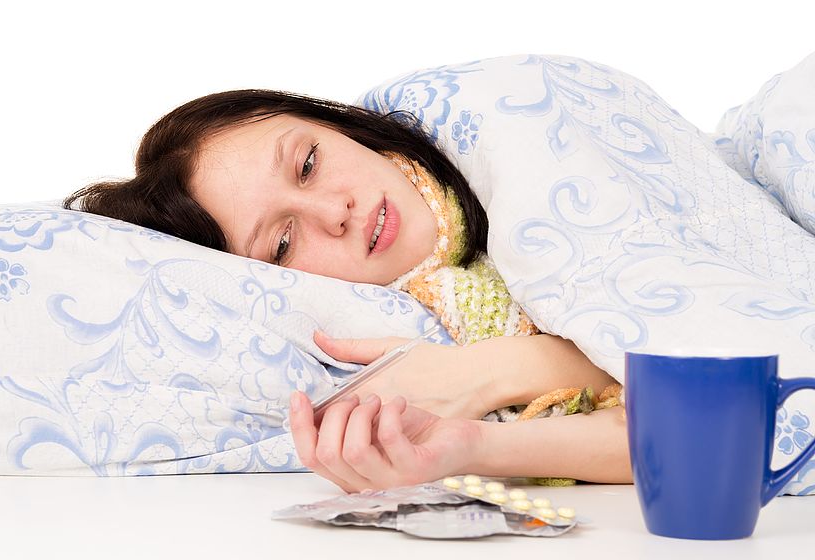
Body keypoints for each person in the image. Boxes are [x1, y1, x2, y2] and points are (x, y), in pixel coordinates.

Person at [63, 89, 632, 493]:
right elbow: (691, 434)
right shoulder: (408, 334)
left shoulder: (514, 151)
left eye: (308, 162)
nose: (335, 210)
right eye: (282, 243)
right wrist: (469, 444)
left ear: (341, 127)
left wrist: (480, 374)